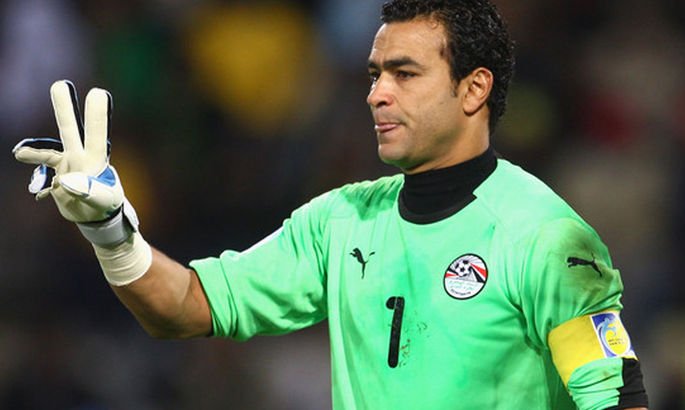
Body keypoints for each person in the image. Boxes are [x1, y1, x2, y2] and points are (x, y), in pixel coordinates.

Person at [13, 0, 649, 409]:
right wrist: (112, 233)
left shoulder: (545, 237)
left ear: (473, 88)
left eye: (404, 74)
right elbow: (185, 307)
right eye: (375, 74)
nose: (377, 94)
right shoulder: (341, 222)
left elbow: (617, 400)